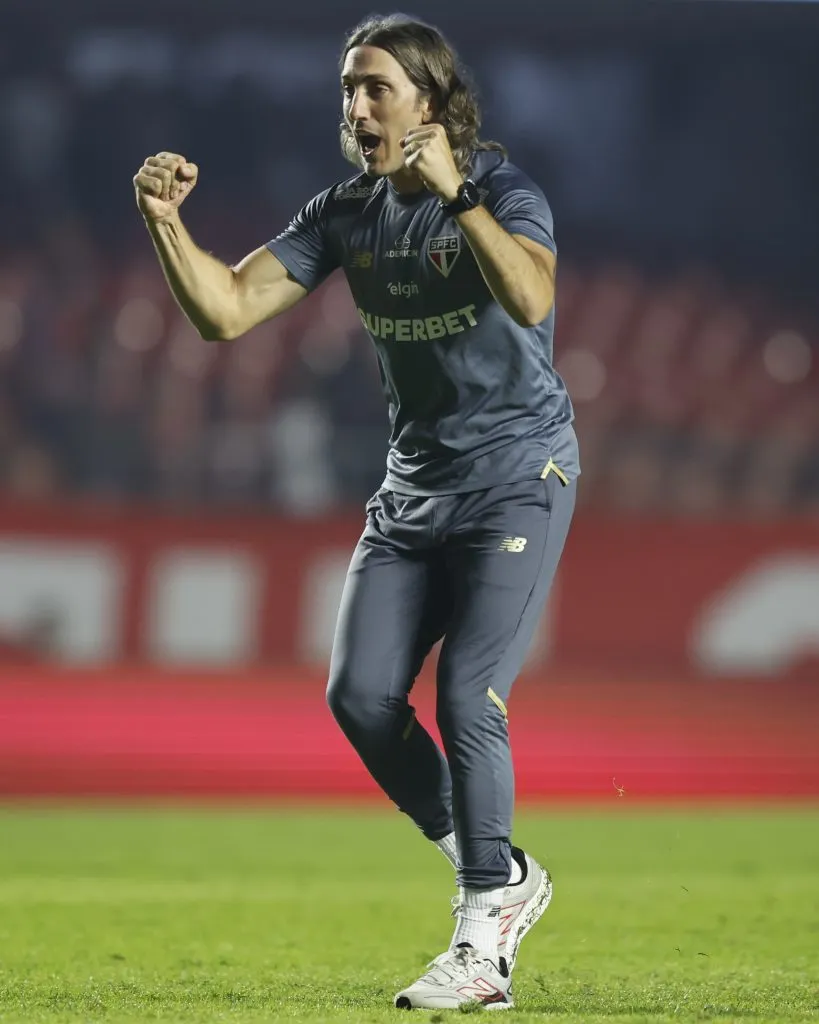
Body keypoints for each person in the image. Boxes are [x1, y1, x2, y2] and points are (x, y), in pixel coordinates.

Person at [134, 13, 579, 1011]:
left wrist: (458, 196)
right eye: (348, 88)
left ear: (432, 101)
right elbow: (225, 310)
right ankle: (500, 871)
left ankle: (482, 942)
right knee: (360, 698)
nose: (356, 106)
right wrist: (165, 223)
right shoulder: (346, 213)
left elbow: (532, 298)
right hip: (413, 490)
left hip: (516, 475)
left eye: (376, 86)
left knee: (468, 695)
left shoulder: (504, 190)